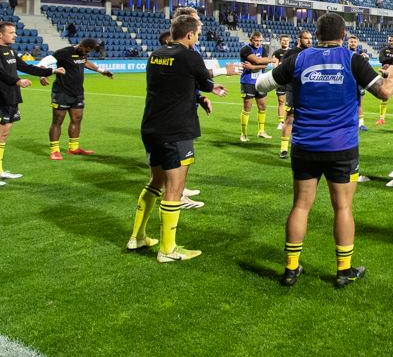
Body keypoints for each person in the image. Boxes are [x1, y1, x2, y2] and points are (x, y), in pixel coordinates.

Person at [254, 12, 393, 287]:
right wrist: (392, 75)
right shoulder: (353, 59)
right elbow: (384, 93)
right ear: (343, 36)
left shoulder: (298, 58)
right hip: (341, 147)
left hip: (305, 145)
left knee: (300, 205)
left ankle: (291, 269)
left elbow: (261, 85)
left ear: (316, 35)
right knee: (342, 207)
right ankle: (344, 271)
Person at [127, 14, 229, 262]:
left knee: (154, 182)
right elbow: (206, 82)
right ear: (189, 34)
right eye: (198, 33)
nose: (198, 37)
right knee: (174, 188)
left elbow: (173, 87)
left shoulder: (156, 53)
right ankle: (168, 250)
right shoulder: (189, 55)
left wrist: (197, 97)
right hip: (176, 129)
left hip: (151, 126)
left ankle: (138, 237)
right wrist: (218, 80)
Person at [0, 22, 62, 187]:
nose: (15, 35)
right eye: (11, 32)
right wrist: (17, 80)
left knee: (3, 136)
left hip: (11, 97)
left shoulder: (9, 50)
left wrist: (50, 71)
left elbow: (24, 66)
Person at [46, 37, 115, 160]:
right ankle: (55, 150)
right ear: (81, 45)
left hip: (77, 92)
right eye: (86, 51)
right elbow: (46, 61)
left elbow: (85, 62)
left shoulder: (82, 55)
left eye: (89, 52)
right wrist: (43, 73)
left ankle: (73, 148)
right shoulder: (64, 52)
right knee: (58, 120)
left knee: (77, 119)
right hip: (62, 91)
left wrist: (101, 71)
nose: (87, 54)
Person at [279, 30, 313, 159]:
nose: (309, 41)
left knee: (309, 118)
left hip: (309, 90)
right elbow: (281, 69)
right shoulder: (290, 53)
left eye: (310, 38)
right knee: (290, 118)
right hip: (293, 89)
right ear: (299, 40)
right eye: (306, 38)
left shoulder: (312, 52)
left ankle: (306, 146)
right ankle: (283, 149)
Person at [238, 32, 277, 142]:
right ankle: (244, 134)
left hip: (260, 81)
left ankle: (261, 131)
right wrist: (272, 60)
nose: (258, 43)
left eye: (260, 41)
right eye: (256, 41)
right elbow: (258, 60)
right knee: (247, 108)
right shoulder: (245, 50)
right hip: (248, 81)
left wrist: (252, 66)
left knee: (262, 106)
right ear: (251, 40)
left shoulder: (263, 49)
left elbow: (264, 65)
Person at [348, 35, 371, 131]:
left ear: (357, 43)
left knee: (359, 103)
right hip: (348, 81)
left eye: (354, 42)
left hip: (359, 81)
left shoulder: (360, 53)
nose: (353, 43)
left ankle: (361, 124)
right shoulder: (345, 53)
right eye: (351, 41)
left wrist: (366, 57)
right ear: (348, 43)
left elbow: (367, 59)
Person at [271, 34, 292, 131]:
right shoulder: (277, 52)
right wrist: (281, 65)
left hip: (291, 80)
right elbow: (275, 66)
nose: (286, 42)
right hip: (281, 79)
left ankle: (292, 121)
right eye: (283, 40)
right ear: (280, 41)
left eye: (287, 40)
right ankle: (281, 122)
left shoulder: (293, 51)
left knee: (293, 102)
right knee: (281, 101)